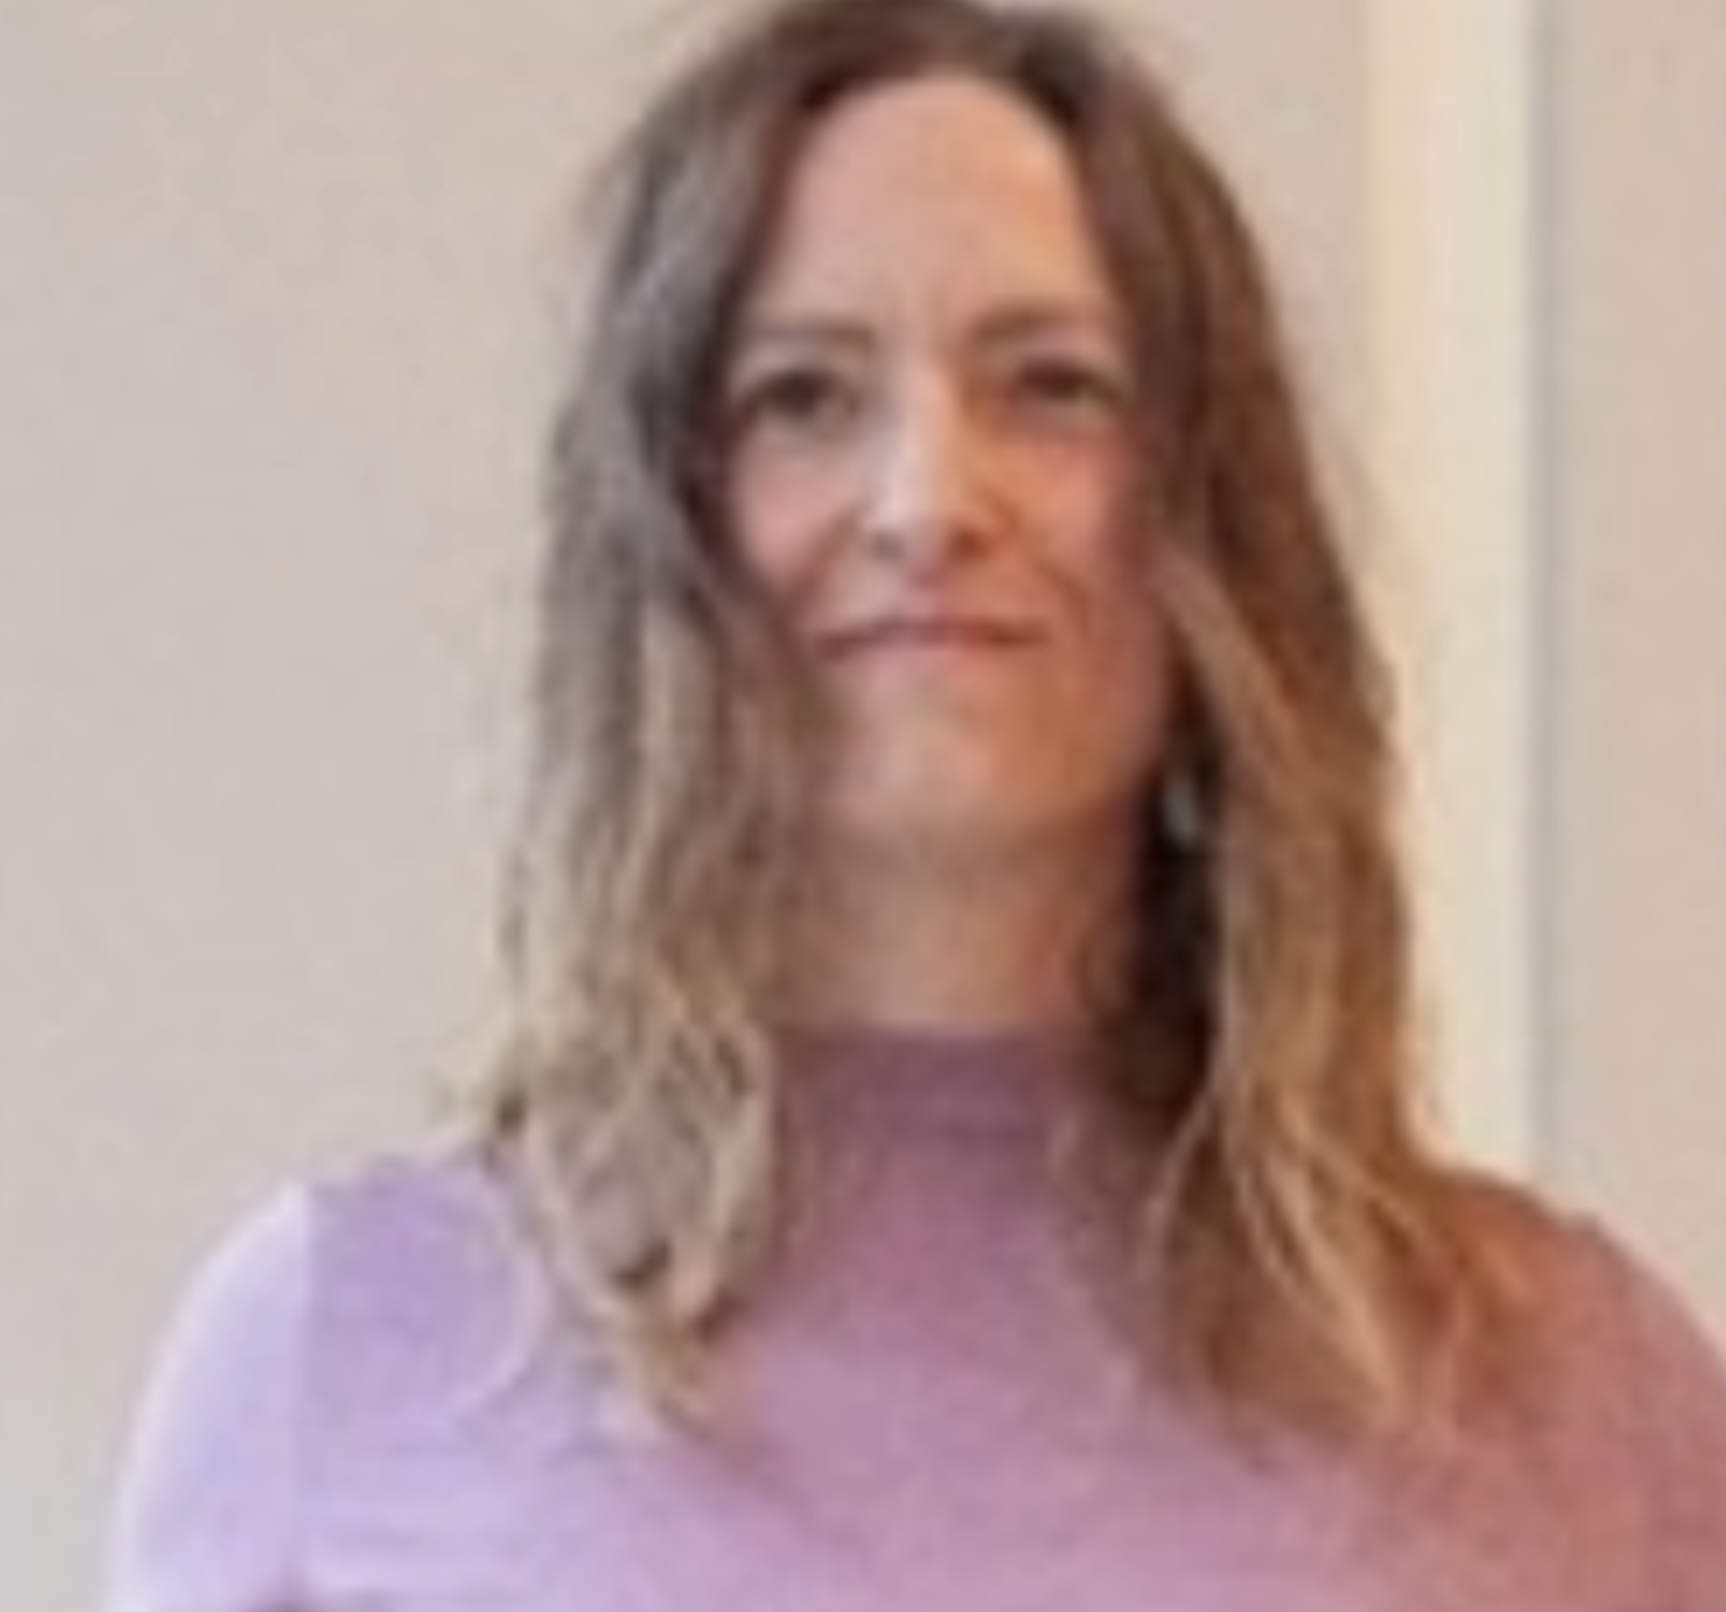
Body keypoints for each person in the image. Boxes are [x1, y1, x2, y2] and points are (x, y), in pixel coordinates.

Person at [107, 0, 1726, 1606]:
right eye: (804, 396)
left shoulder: (1588, 1398)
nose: (930, 498)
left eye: (1049, 385)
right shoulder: (340, 1353)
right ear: (667, 527)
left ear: (1214, 526)